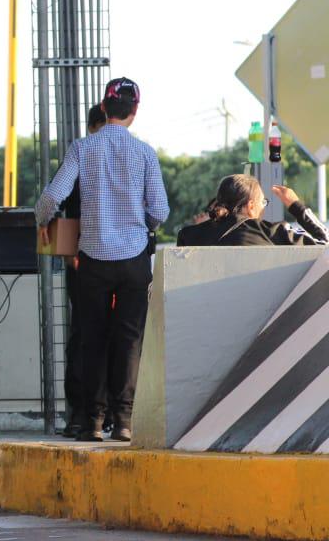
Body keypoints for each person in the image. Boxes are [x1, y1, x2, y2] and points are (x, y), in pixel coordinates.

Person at [36, 78, 169, 443]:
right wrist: (142, 225)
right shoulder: (145, 154)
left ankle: (92, 422)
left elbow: (54, 195)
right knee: (129, 340)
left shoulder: (82, 148)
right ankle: (124, 421)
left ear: (104, 105)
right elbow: (159, 209)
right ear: (135, 110)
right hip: (133, 259)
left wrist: (43, 220)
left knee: (91, 339)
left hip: (93, 258)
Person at [61, 104, 108, 438]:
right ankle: (115, 417)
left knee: (83, 335)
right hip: (124, 259)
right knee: (118, 337)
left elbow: (60, 206)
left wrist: (67, 253)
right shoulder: (132, 156)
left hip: (83, 258)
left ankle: (82, 415)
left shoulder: (80, 155)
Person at [177, 175, 327, 246]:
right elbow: (325, 243)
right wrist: (296, 206)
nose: (263, 207)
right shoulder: (270, 232)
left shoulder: (187, 235)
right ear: (250, 205)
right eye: (263, 202)